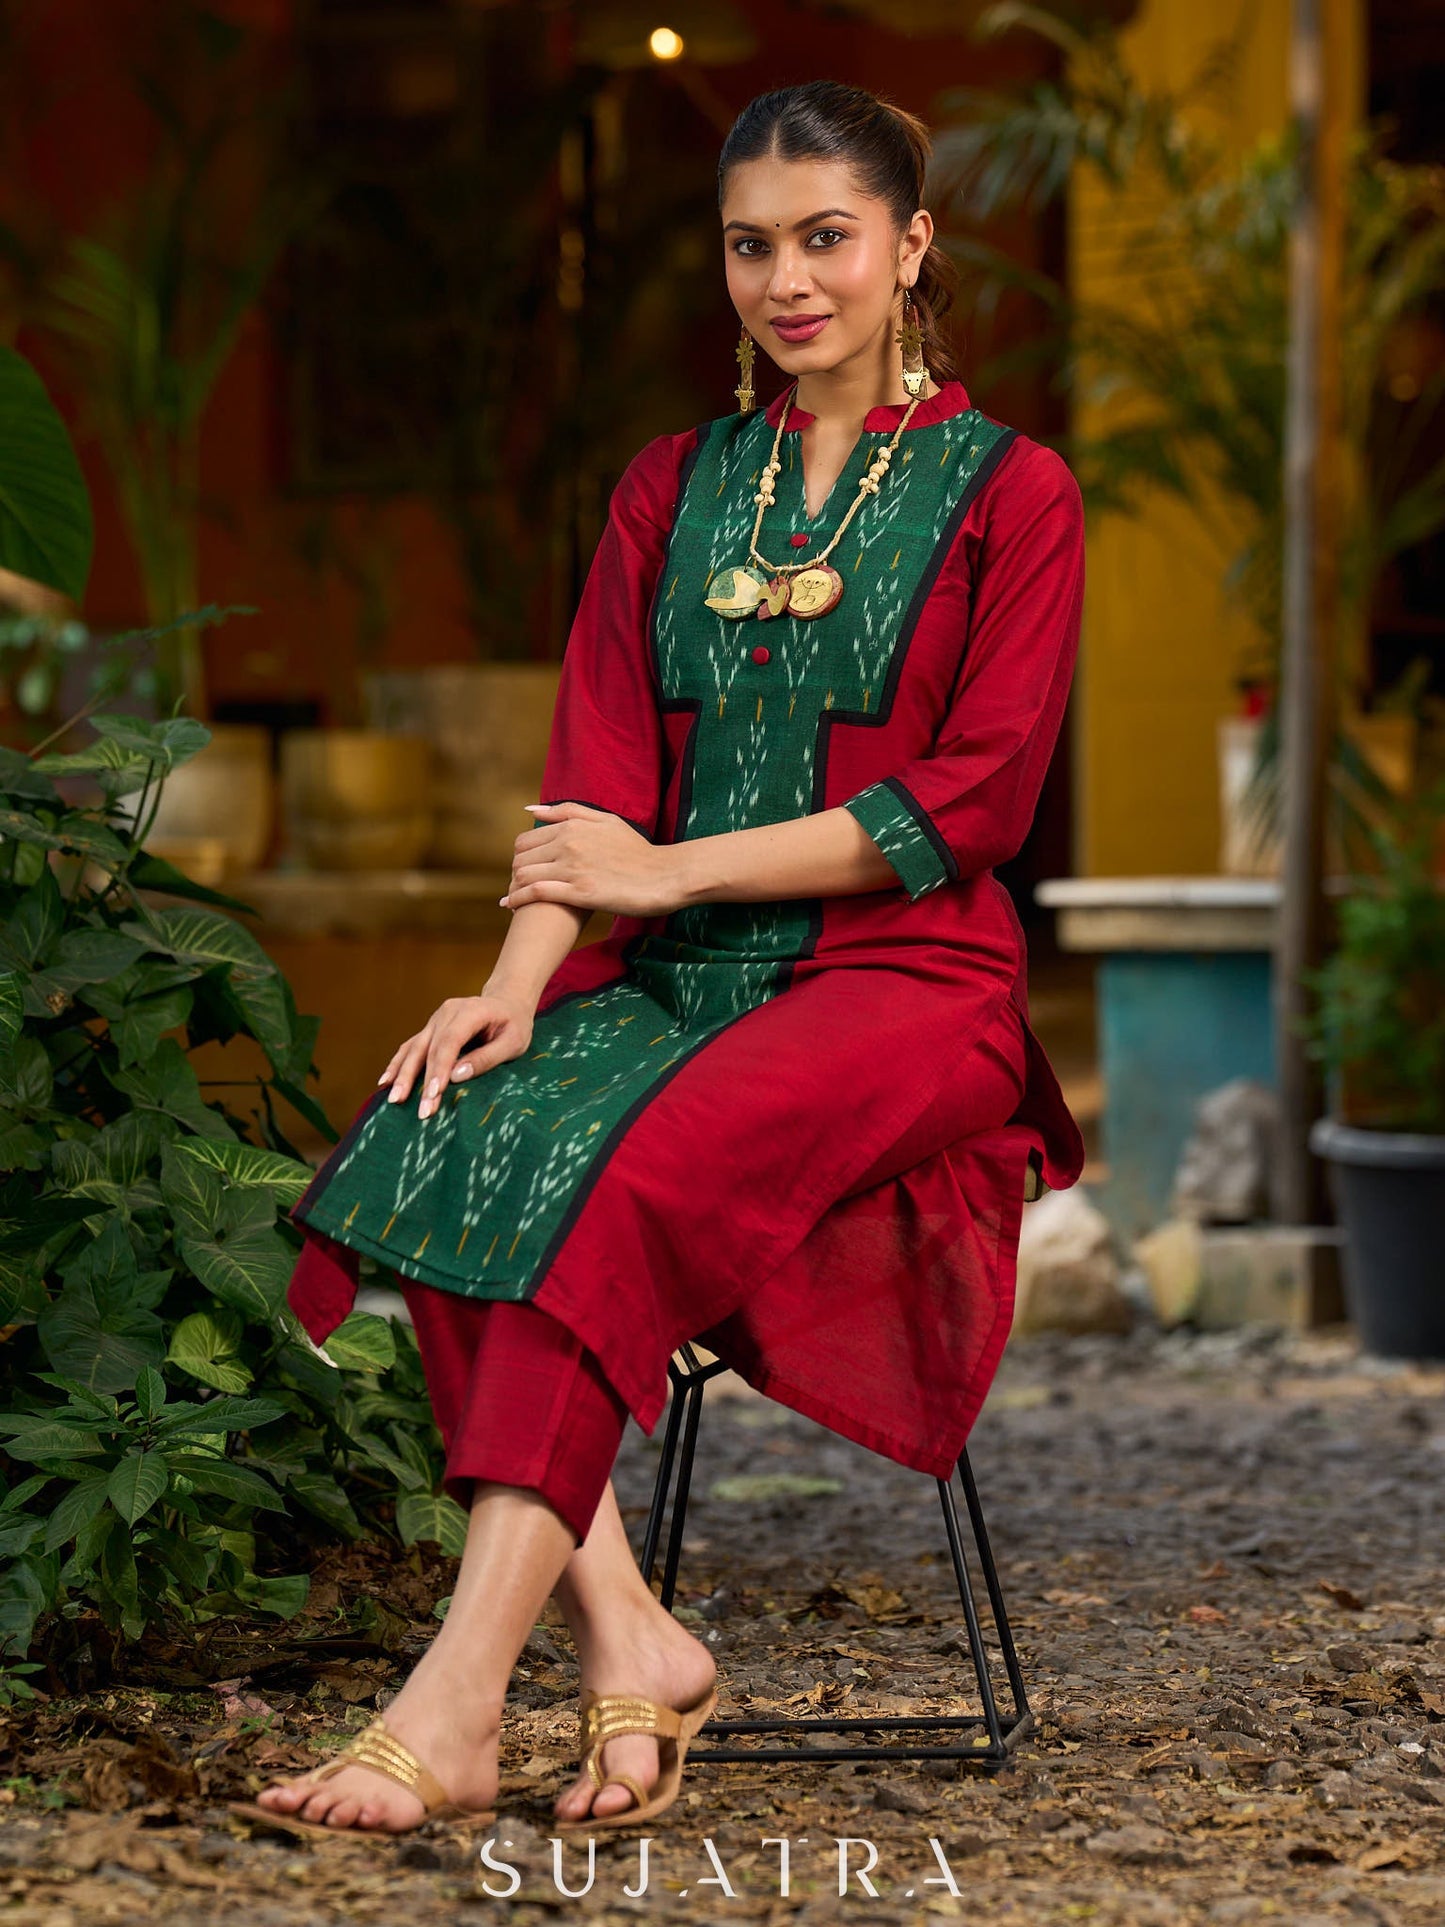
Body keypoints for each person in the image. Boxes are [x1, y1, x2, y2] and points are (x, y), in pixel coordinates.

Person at [247, 77, 1086, 1838]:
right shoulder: (671, 485)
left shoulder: (1014, 496)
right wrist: (512, 980)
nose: (788, 282)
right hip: (678, 981)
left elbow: (973, 804)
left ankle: (455, 1704)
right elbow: (594, 780)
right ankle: (631, 1639)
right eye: (749, 246)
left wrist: (659, 875)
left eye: (827, 239)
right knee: (452, 1123)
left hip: (906, 992)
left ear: (910, 247)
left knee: (611, 1180)